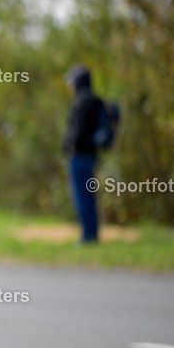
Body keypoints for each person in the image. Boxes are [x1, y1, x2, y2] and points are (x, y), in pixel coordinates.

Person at [62, 64, 104, 244]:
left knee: (82, 196)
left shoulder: (80, 102)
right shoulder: (96, 101)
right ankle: (92, 232)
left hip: (79, 156)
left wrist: (68, 146)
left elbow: (77, 133)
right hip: (92, 155)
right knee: (89, 195)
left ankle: (88, 235)